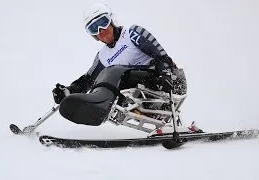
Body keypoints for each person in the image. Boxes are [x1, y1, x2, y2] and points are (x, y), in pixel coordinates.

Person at [52, 3, 186, 105]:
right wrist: (68, 92)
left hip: (169, 81)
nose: (101, 31)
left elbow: (160, 55)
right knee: (104, 80)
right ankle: (93, 112)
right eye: (94, 28)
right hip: (137, 94)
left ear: (111, 21)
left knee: (116, 73)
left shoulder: (131, 33)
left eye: (103, 23)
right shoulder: (103, 57)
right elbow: (87, 80)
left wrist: (166, 74)